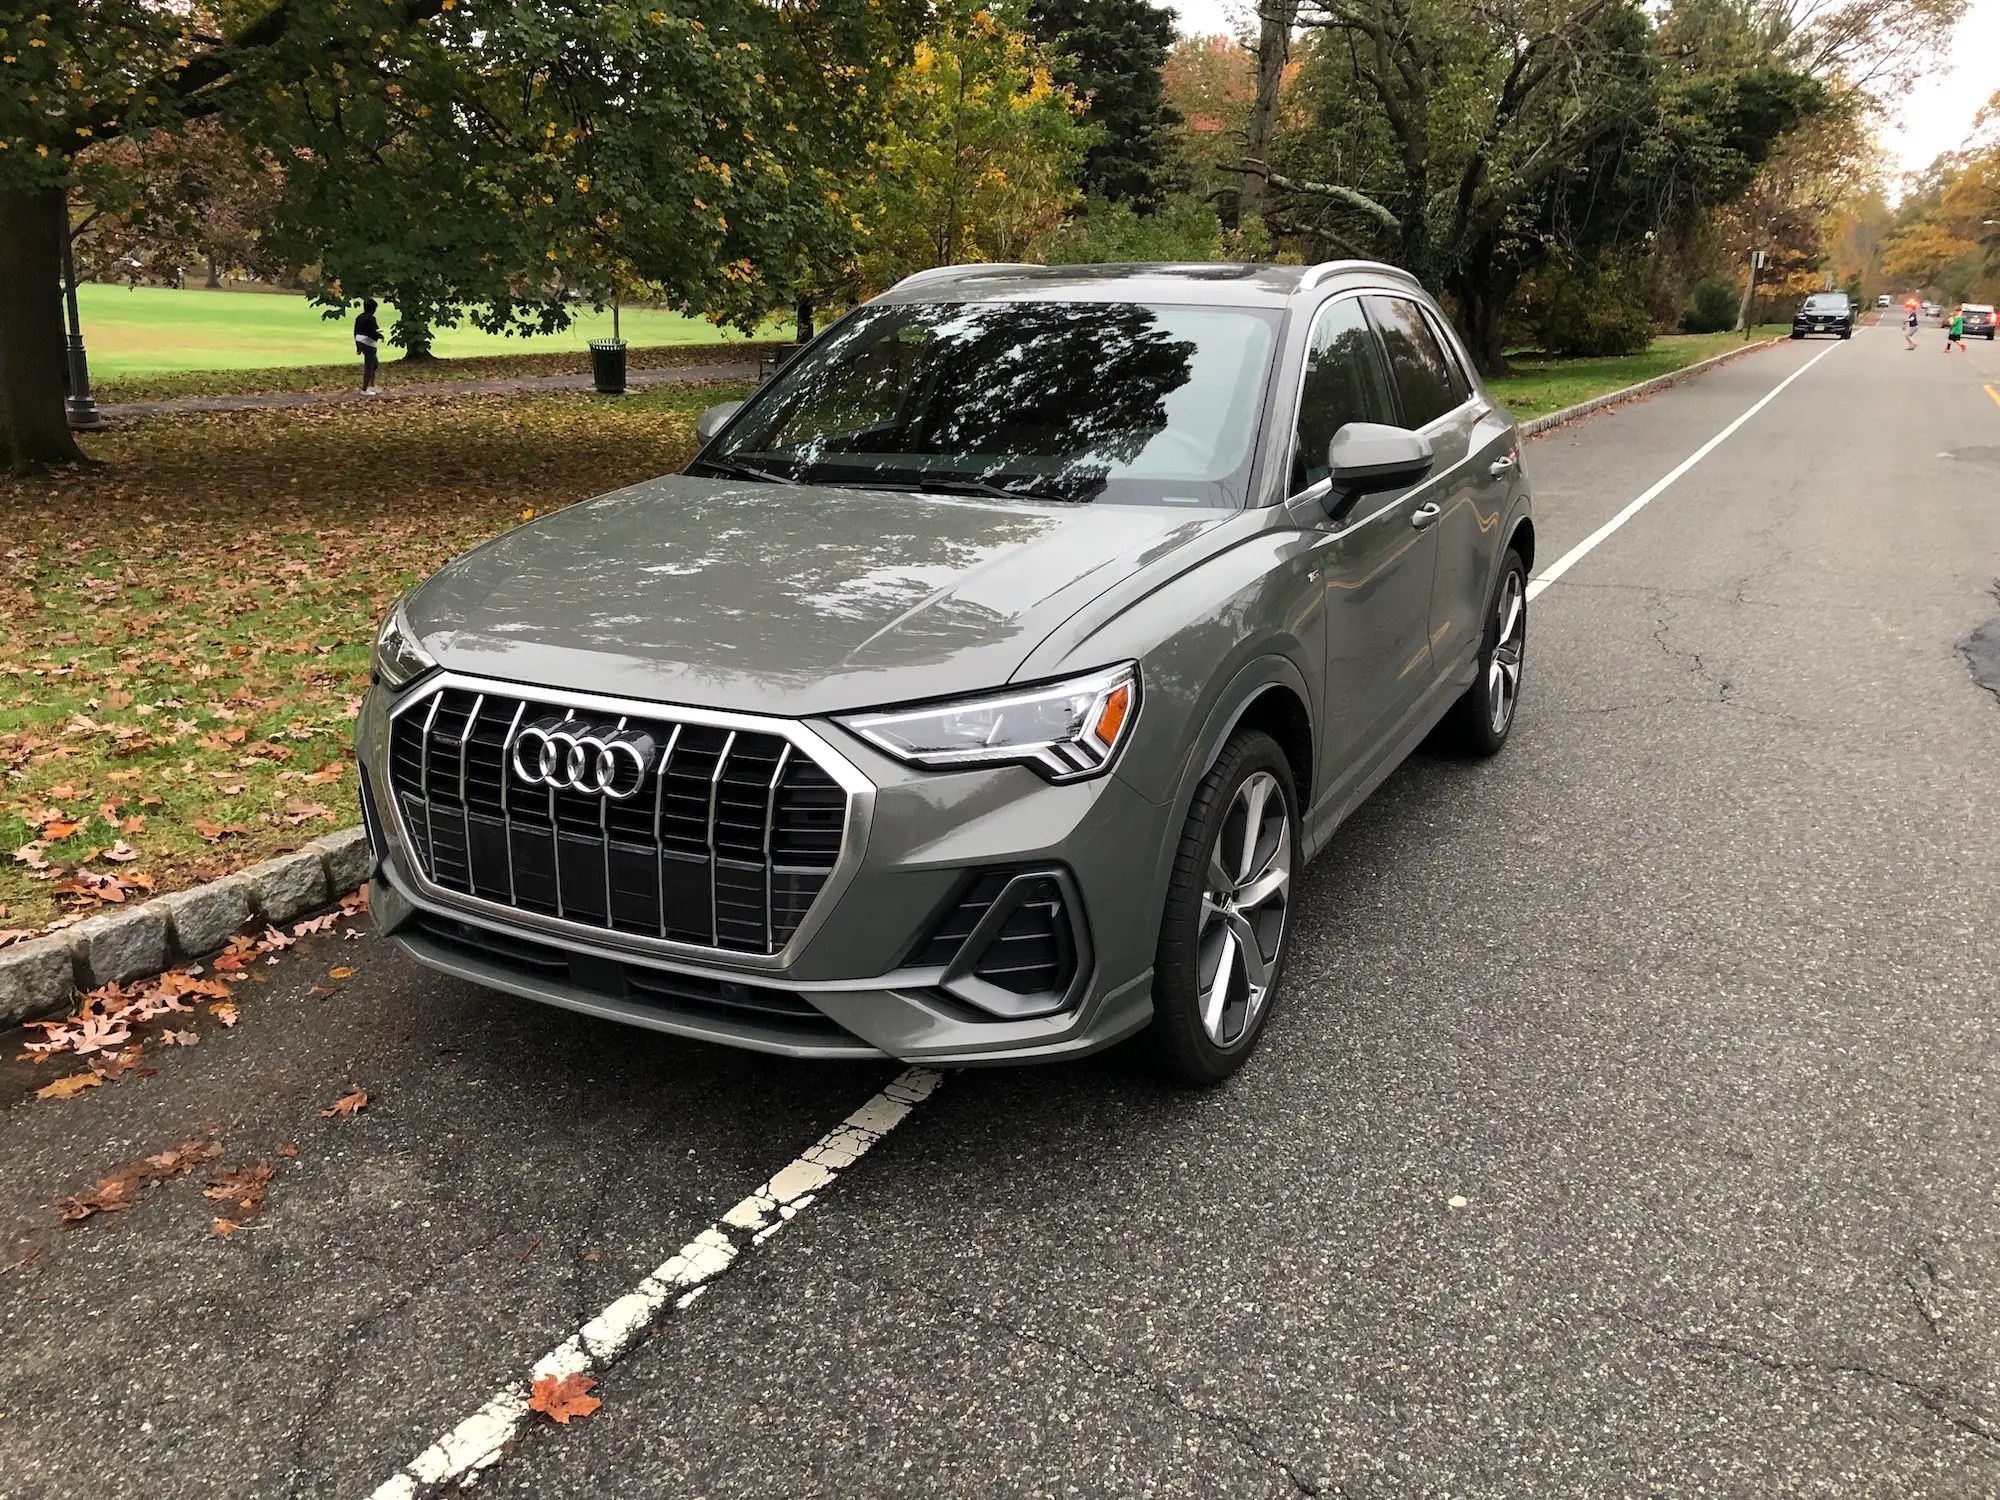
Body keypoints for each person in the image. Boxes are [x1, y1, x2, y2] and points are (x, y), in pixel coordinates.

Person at [354, 298, 384, 393]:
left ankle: (371, 385)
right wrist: (380, 336)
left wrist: (358, 347)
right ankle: (365, 389)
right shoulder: (371, 319)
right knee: (370, 366)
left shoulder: (359, 317)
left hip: (359, 341)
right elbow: (373, 332)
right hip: (368, 344)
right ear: (373, 309)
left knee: (374, 364)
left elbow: (355, 332)